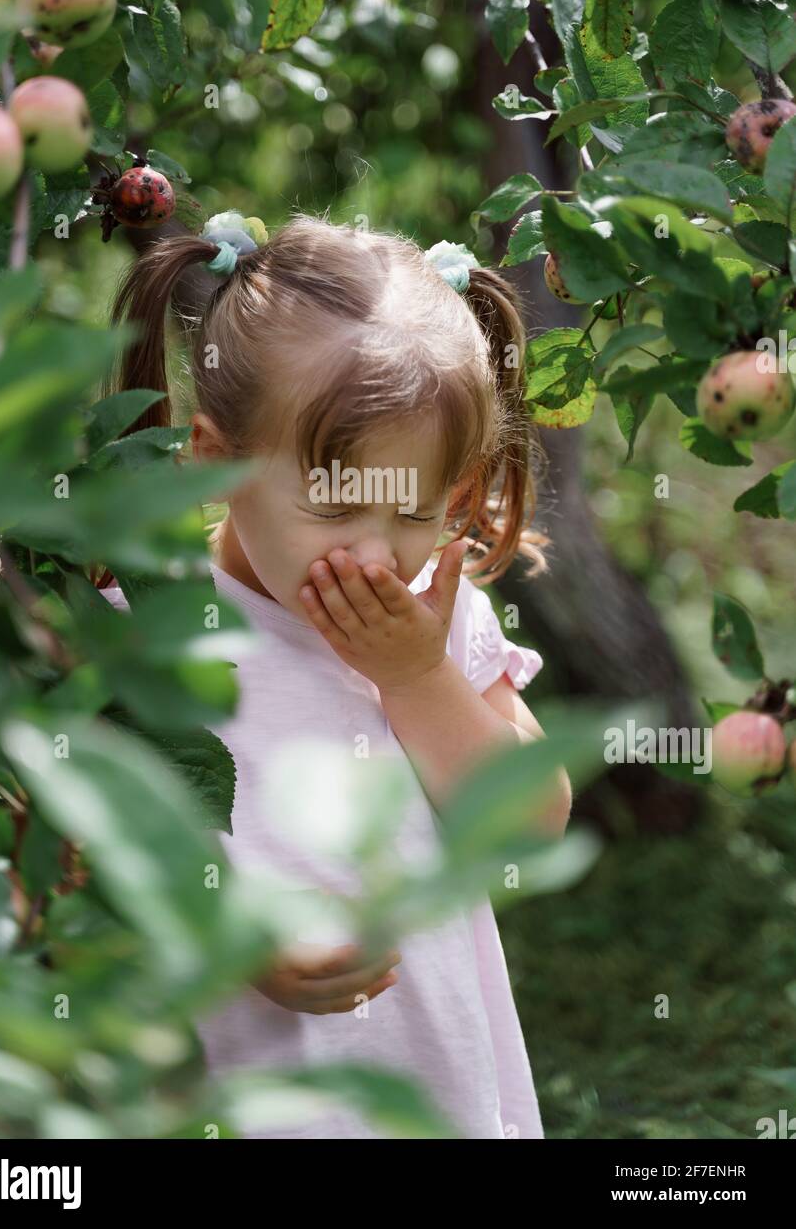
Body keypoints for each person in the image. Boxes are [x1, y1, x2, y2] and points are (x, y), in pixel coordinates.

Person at [95, 209, 572, 1139]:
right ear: (215, 468)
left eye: (413, 510)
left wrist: (418, 678)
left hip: (432, 1090)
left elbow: (534, 821)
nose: (372, 553)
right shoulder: (139, 636)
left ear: (458, 496)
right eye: (332, 505)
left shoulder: (435, 616)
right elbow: (91, 856)